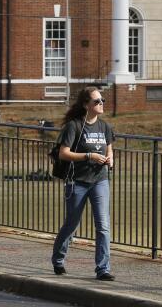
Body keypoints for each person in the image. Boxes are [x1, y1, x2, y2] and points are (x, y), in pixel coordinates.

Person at [51, 86, 115, 281]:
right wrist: (89, 156)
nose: (101, 103)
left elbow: (110, 149)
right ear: (86, 105)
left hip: (100, 180)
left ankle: (102, 268)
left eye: (102, 100)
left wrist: (109, 159)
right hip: (77, 181)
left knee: (103, 225)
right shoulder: (74, 126)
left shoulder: (104, 127)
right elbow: (64, 153)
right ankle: (58, 259)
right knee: (72, 223)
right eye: (97, 101)